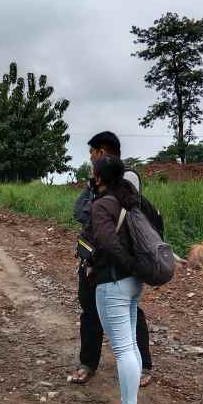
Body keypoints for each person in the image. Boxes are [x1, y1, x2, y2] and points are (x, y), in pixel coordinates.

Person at [71, 131, 158, 386]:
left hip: (115, 263)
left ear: (103, 152)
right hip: (93, 257)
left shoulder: (126, 177)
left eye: (92, 152)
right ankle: (88, 362)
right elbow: (81, 211)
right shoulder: (96, 182)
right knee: (89, 310)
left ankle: (142, 366)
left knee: (129, 315)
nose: (89, 157)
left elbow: (115, 216)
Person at [86, 155, 143, 404]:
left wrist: (97, 264)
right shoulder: (128, 200)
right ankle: (126, 402)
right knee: (130, 344)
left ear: (99, 177)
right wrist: (133, 267)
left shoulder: (102, 204)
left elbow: (107, 243)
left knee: (122, 348)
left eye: (92, 173)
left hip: (113, 282)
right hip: (132, 282)